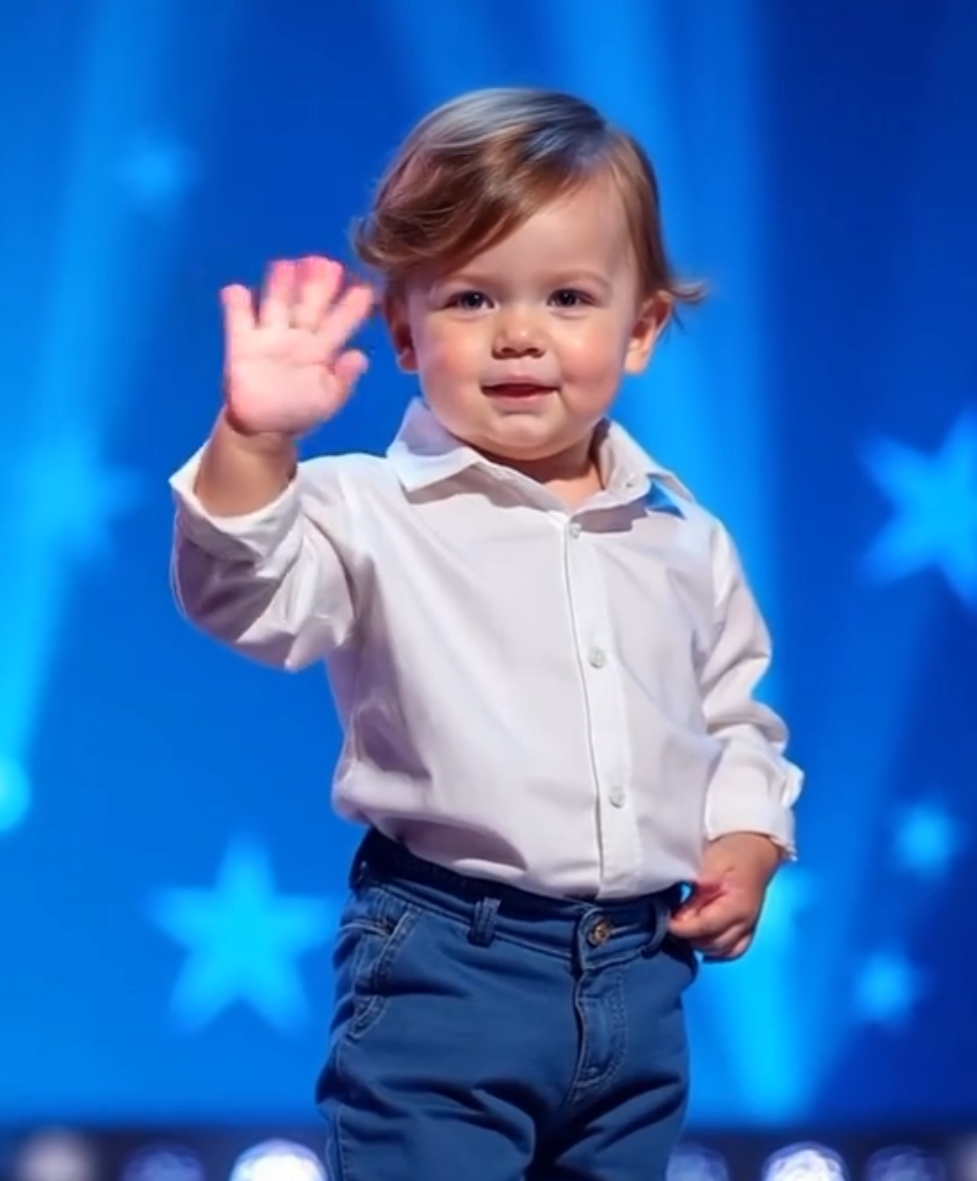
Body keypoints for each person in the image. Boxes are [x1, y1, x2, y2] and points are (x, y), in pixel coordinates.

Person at [169, 87, 803, 1181]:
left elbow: (733, 715)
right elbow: (243, 595)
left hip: (641, 973)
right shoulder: (365, 509)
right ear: (403, 329)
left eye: (567, 297)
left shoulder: (683, 536)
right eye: (470, 297)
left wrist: (748, 838)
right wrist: (252, 445)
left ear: (640, 327)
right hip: (445, 964)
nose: (517, 334)